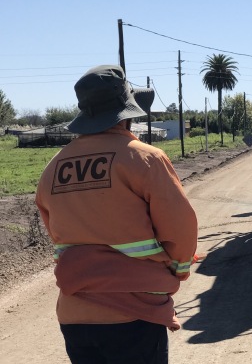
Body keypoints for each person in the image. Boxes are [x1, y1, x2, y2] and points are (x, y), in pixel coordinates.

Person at [35, 65, 198, 364]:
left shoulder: (54, 166)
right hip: (134, 314)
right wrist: (179, 269)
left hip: (74, 315)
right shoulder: (145, 158)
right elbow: (180, 229)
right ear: (128, 113)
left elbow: (56, 232)